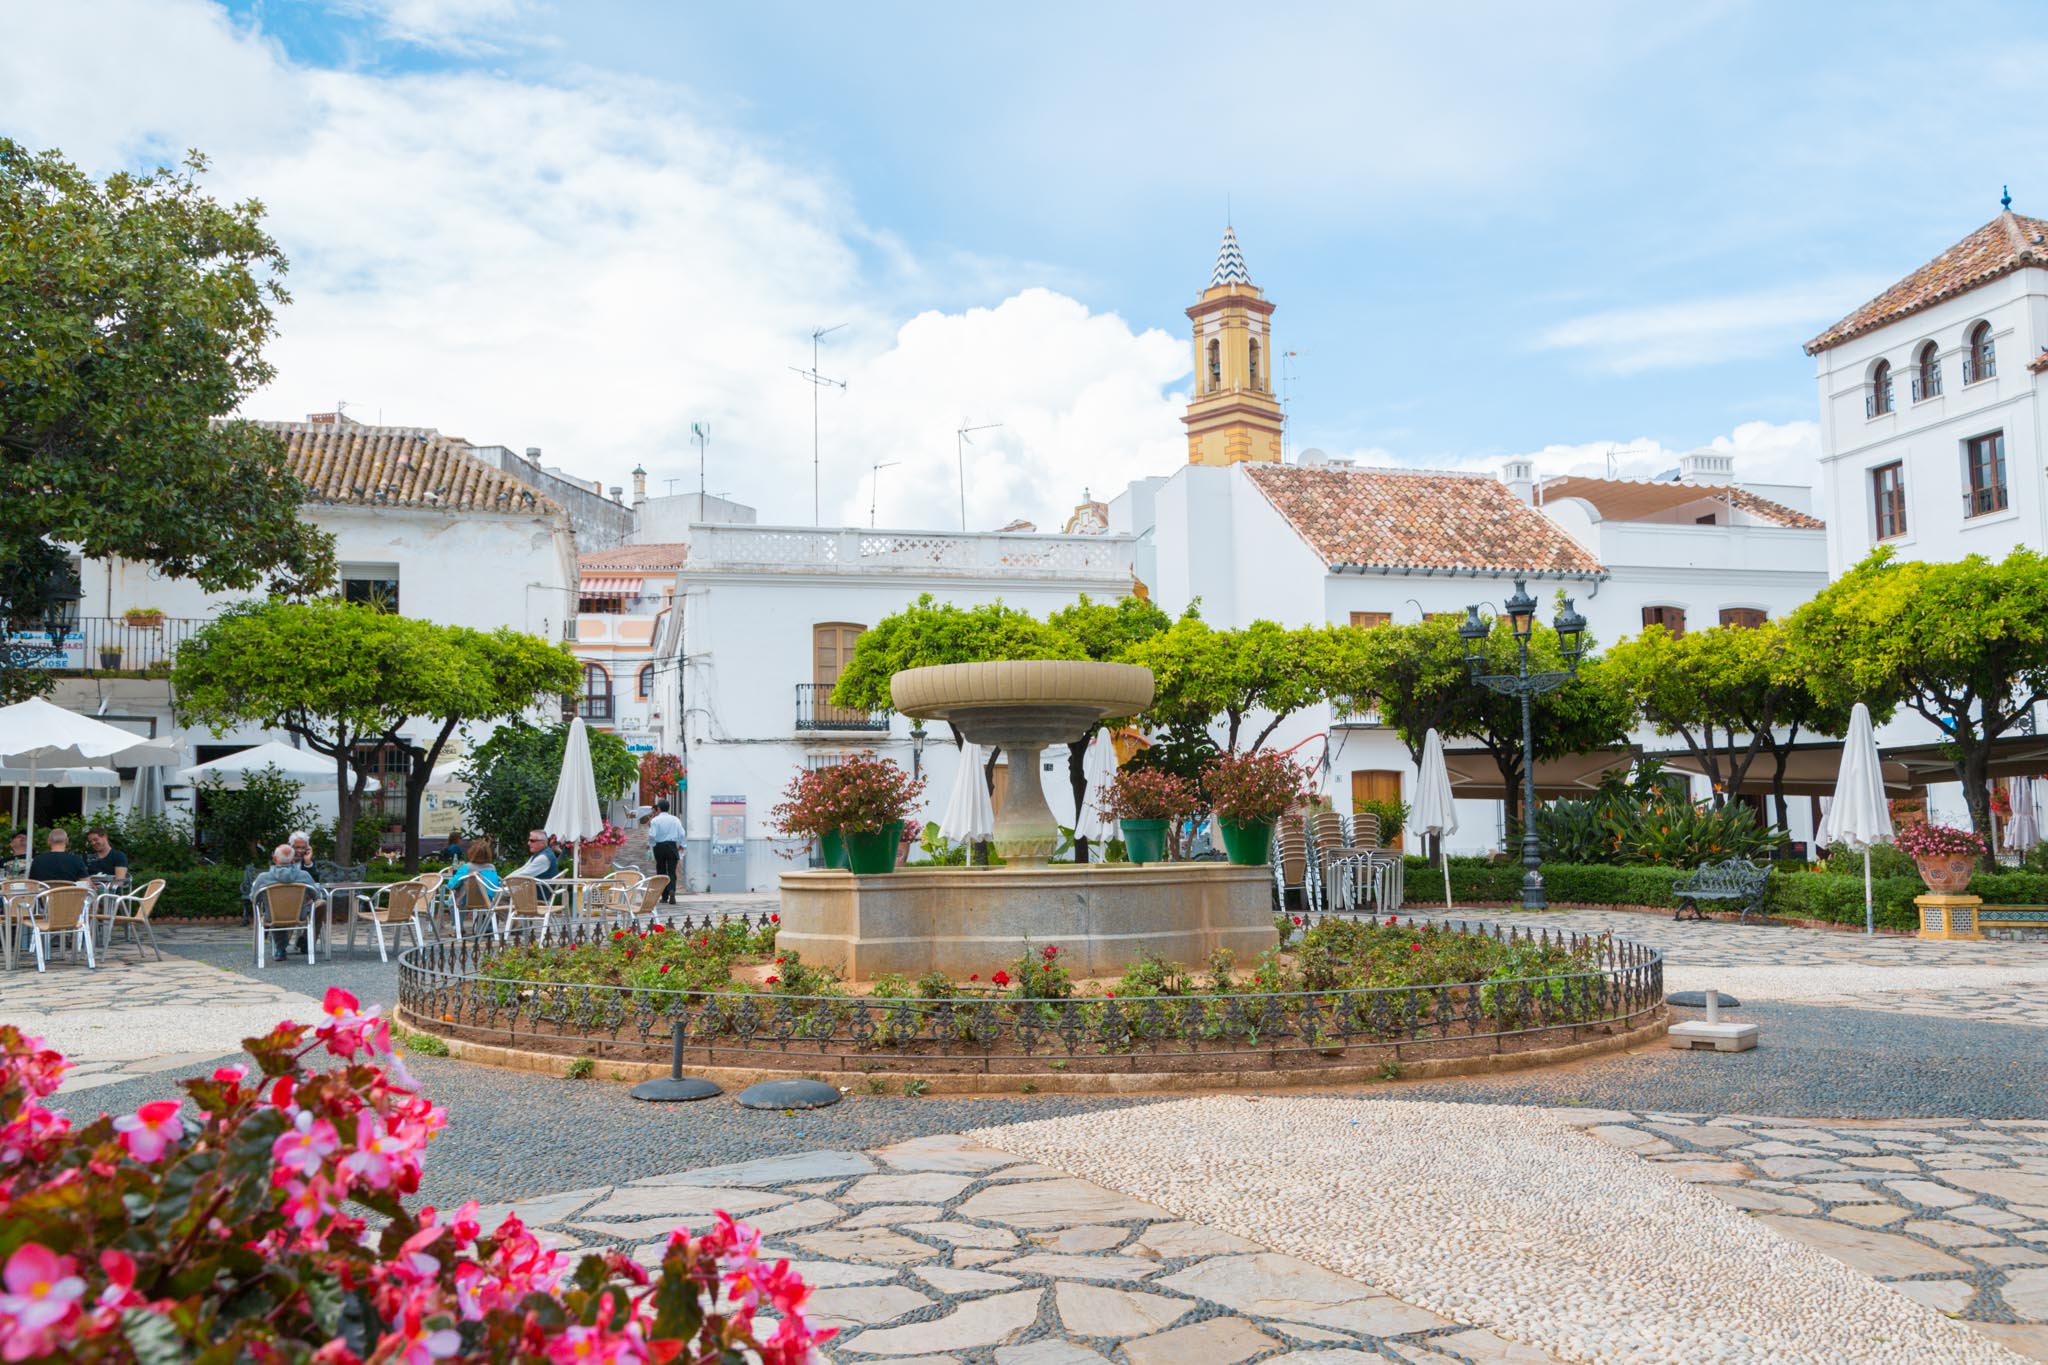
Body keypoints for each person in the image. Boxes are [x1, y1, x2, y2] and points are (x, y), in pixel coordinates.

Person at [250, 843, 329, 958]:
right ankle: (306, 942)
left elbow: (254, 898)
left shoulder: (263, 878)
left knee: (276, 911)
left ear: (274, 858)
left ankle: (280, 949)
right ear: (292, 859)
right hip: (299, 915)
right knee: (320, 903)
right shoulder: (304, 875)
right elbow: (316, 895)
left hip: (272, 917)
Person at [647, 799, 683, 904]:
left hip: (659, 846)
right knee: (671, 871)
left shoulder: (655, 820)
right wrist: (682, 845)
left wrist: (652, 845)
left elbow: (652, 835)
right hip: (672, 846)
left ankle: (664, 896)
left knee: (661, 871)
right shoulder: (675, 820)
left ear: (658, 808)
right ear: (668, 808)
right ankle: (672, 890)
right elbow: (682, 834)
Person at [449, 836, 501, 907]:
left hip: (465, 900)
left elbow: (451, 885)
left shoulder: (467, 867)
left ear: (471, 853)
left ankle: (456, 918)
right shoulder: (492, 868)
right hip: (488, 901)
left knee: (452, 898)